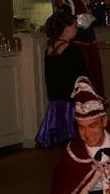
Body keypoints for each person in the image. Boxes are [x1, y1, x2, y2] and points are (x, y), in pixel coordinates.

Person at [36, 11, 89, 147]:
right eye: (74, 26)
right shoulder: (72, 50)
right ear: (65, 29)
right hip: (71, 103)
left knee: (61, 142)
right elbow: (82, 76)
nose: (76, 29)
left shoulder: (49, 49)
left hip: (56, 103)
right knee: (76, 141)